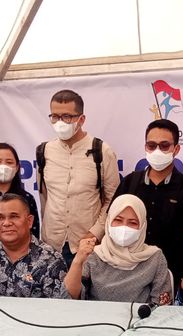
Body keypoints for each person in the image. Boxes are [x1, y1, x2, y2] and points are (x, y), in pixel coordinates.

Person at [37, 89, 120, 268]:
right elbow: (44, 196)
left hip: (88, 245)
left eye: (67, 116)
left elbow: (112, 199)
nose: (60, 122)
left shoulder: (102, 150)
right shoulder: (44, 151)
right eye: (55, 116)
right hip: (51, 245)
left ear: (81, 119)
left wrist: (95, 232)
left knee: (84, 294)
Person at [112, 119, 183, 288]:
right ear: (145, 147)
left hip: (171, 273)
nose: (157, 150)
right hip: (129, 271)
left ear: (176, 149)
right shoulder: (130, 182)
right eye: (151, 145)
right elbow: (112, 224)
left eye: (164, 145)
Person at [65, 194, 172, 304]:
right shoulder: (93, 254)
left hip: (141, 320)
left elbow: (161, 306)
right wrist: (78, 261)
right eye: (118, 220)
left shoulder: (154, 257)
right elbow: (72, 298)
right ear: (108, 222)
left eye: (133, 223)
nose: (124, 227)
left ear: (142, 227)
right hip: (97, 319)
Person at [0, 142, 39, 238]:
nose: (3, 166)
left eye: (9, 162)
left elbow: (34, 234)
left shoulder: (27, 198)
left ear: (17, 167)